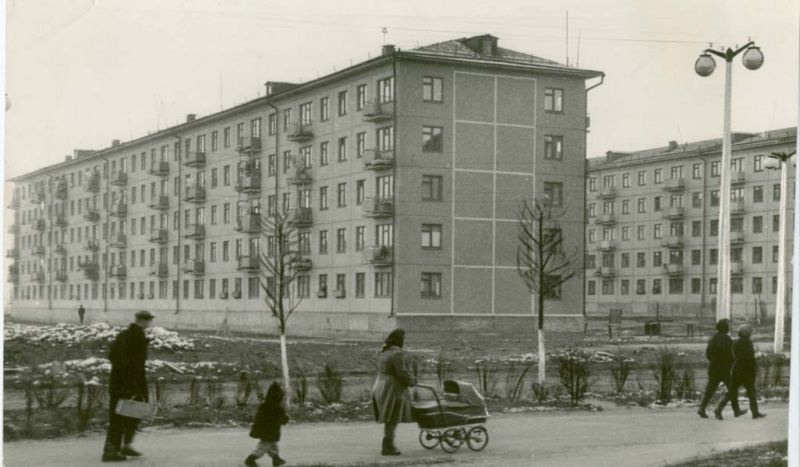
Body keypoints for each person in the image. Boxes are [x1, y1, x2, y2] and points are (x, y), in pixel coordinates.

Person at [102, 310, 154, 462]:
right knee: (119, 417)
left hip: (124, 382)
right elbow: (127, 364)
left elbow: (112, 356)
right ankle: (110, 452)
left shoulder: (127, 335)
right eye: (147, 320)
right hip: (127, 383)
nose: (149, 323)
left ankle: (126, 445)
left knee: (134, 413)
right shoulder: (134, 337)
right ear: (142, 321)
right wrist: (132, 384)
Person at [372, 329, 416, 456]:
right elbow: (402, 373)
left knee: (389, 417)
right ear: (399, 340)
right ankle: (388, 447)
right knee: (392, 417)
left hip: (380, 385)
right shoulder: (397, 354)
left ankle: (388, 445)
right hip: (392, 388)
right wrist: (412, 381)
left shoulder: (383, 351)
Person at [697, 319, 742, 419]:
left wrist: (714, 361)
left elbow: (708, 353)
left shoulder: (713, 338)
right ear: (725, 328)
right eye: (727, 326)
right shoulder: (728, 340)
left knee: (710, 390)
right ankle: (734, 410)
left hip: (714, 369)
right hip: (725, 370)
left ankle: (702, 408)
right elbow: (732, 356)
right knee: (733, 390)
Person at [727, 324, 767, 420]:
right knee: (751, 393)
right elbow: (750, 359)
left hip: (738, 370)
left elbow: (734, 356)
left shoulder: (736, 342)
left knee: (732, 391)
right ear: (747, 334)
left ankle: (731, 410)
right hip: (747, 371)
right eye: (750, 333)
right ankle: (755, 413)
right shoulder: (748, 343)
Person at [244, 382, 288, 467]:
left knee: (273, 445)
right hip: (270, 432)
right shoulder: (278, 409)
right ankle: (251, 459)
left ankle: (276, 458)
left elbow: (258, 418)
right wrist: (286, 417)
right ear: (278, 398)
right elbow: (283, 420)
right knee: (263, 446)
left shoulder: (264, 406)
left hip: (263, 430)